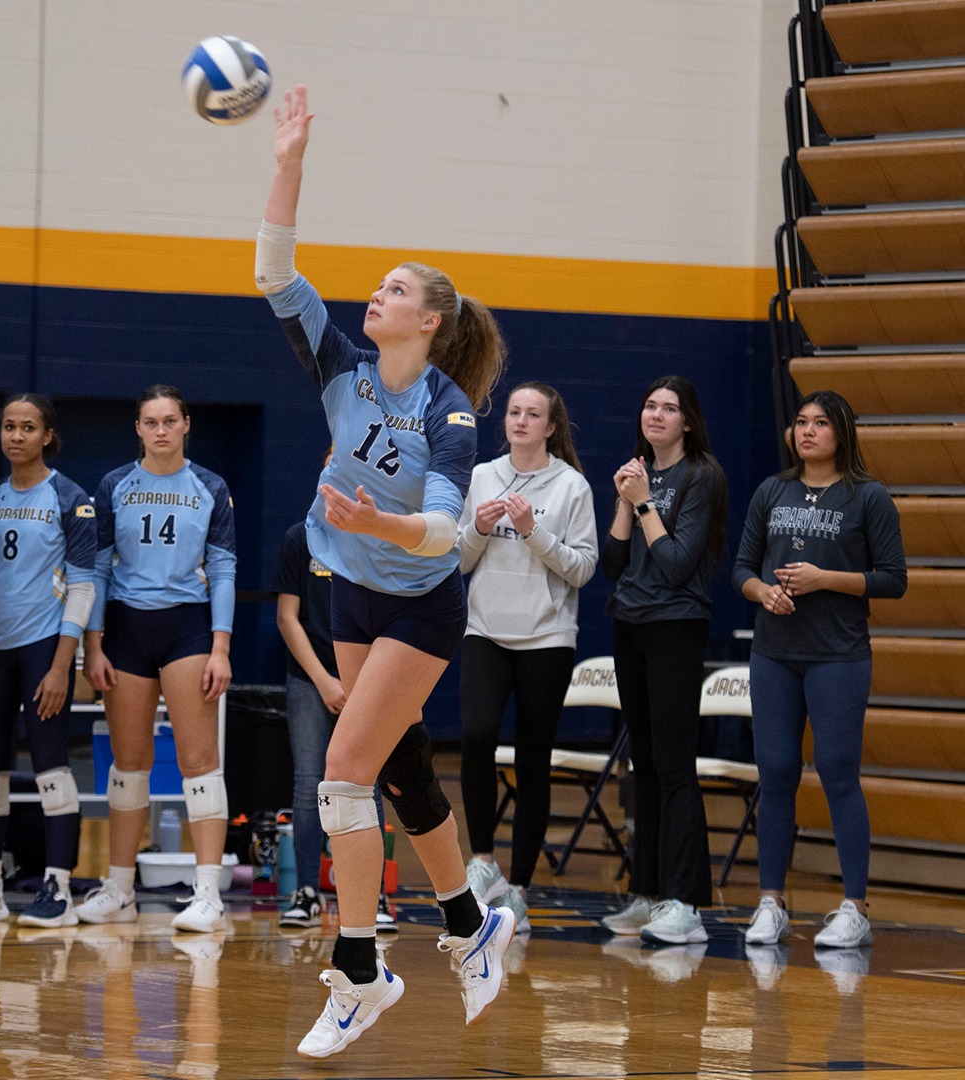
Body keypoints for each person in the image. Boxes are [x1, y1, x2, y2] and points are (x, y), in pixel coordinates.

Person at [258, 86, 516, 1059]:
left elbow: (446, 536)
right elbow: (275, 271)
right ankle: (467, 925)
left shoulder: (450, 410)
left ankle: (361, 971)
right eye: (378, 287)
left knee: (342, 776)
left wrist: (380, 518)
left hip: (418, 605)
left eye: (397, 290)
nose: (378, 296)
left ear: (433, 320)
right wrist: (288, 160)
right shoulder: (340, 367)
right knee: (396, 766)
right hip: (351, 592)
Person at [733, 389, 905, 950]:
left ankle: (855, 906)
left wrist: (825, 579)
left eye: (821, 424)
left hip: (838, 655)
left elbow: (892, 579)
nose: (807, 431)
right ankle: (770, 901)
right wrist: (765, 594)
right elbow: (742, 568)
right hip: (774, 652)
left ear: (842, 433)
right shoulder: (772, 489)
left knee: (836, 771)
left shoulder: (868, 496)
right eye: (802, 422)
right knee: (776, 771)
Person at [75, 386, 238, 932]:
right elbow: (96, 567)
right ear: (139, 428)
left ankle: (208, 893)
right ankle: (119, 888)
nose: (162, 429)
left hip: (188, 627)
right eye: (151, 421)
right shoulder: (114, 485)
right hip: (125, 627)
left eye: (171, 420)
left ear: (186, 424)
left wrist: (221, 646)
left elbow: (222, 570)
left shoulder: (210, 486)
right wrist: (92, 642)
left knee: (197, 760)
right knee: (129, 762)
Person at [0, 394, 97, 928]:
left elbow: (83, 587)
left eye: (27, 428)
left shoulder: (70, 498)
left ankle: (57, 888)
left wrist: (63, 665)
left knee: (52, 768)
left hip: (41, 651)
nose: (15, 436)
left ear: (47, 436)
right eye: (9, 427)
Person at [456, 381, 598, 933]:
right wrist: (480, 527)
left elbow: (583, 569)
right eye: (513, 412)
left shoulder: (571, 487)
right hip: (485, 629)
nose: (519, 421)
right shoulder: (482, 476)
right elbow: (459, 561)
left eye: (531, 413)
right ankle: (483, 860)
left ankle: (520, 887)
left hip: (546, 638)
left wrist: (532, 531)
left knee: (532, 759)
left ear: (550, 426)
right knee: (475, 736)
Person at [597, 375, 730, 945]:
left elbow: (676, 564)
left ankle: (687, 904)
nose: (656, 415)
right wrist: (628, 501)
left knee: (675, 766)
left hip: (677, 627)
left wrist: (644, 501)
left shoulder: (702, 477)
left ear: (688, 422)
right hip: (630, 623)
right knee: (643, 764)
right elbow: (612, 563)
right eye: (649, 405)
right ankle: (647, 892)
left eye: (669, 408)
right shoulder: (635, 472)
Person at [274, 512, 397, 932]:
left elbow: (388, 616)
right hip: (309, 679)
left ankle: (373, 895)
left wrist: (363, 681)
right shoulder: (299, 536)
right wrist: (325, 681)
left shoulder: (379, 536)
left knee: (366, 783)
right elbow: (287, 617)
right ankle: (306, 893)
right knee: (309, 782)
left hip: (365, 677)